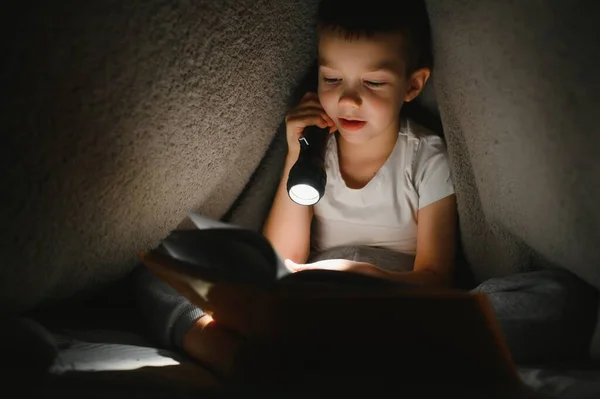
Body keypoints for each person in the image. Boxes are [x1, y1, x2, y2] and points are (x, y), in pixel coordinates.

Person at [134, 0, 597, 390]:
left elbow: (435, 278)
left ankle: (344, 357)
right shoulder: (315, 153)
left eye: (372, 83)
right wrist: (299, 151)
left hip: (394, 311)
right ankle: (233, 357)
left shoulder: (425, 158)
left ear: (412, 85)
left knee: (560, 297)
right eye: (332, 79)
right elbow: (280, 259)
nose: (348, 100)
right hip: (306, 309)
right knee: (156, 271)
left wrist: (349, 273)